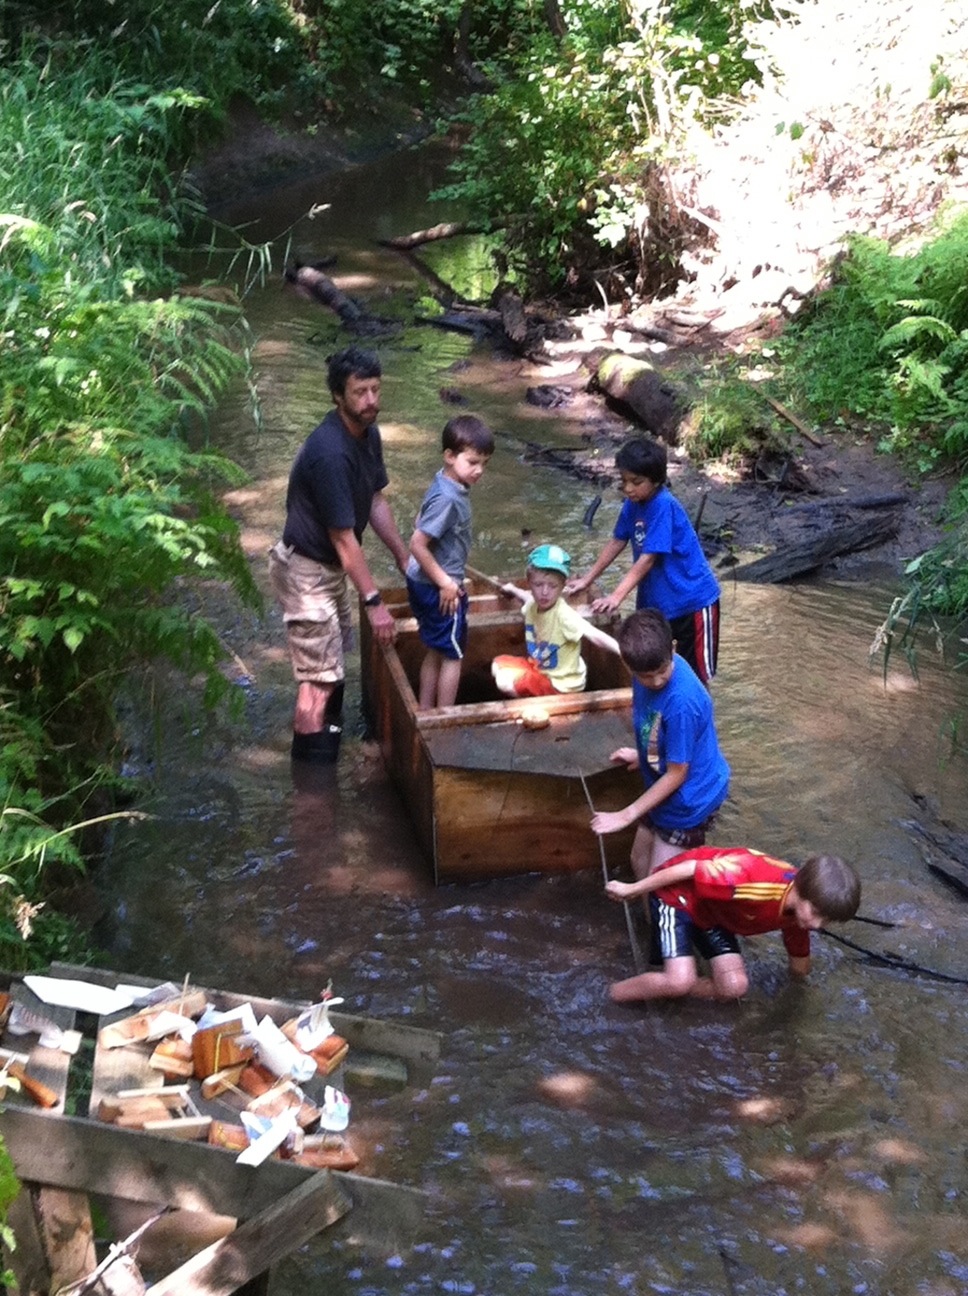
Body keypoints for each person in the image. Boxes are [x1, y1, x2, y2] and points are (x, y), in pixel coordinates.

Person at [269, 346, 410, 763]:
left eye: (375, 390)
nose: (370, 401)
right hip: (307, 570)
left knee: (330, 666)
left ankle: (331, 744)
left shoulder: (368, 433)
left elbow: (376, 501)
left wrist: (405, 558)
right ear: (337, 396)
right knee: (317, 681)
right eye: (359, 392)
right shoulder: (330, 453)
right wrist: (374, 601)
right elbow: (344, 539)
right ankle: (313, 791)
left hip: (328, 568)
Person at [603, 846, 861, 1003]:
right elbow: (691, 869)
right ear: (801, 888)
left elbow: (799, 960)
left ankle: (666, 986)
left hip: (715, 912)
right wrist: (633, 889)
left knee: (734, 987)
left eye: (826, 920)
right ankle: (611, 995)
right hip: (678, 896)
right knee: (679, 981)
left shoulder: (799, 912)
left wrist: (800, 992)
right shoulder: (749, 881)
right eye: (816, 913)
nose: (816, 924)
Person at [565, 437, 721, 684]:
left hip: (692, 603)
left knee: (695, 677)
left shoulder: (663, 505)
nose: (628, 488)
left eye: (636, 482)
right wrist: (587, 579)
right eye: (624, 481)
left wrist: (616, 596)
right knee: (658, 667)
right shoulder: (633, 503)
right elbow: (618, 541)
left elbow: (648, 559)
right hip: (659, 604)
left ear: (656, 480)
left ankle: (700, 721)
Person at [589, 608, 729, 879]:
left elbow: (678, 773)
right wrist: (643, 756)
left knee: (662, 880)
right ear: (629, 666)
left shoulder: (681, 703)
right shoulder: (645, 661)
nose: (656, 681)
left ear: (673, 649)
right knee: (639, 860)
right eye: (645, 676)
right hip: (666, 784)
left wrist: (626, 815)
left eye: (662, 671)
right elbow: (655, 727)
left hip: (690, 798)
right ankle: (651, 920)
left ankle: (679, 919)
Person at [406, 415, 495, 709]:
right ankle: (445, 716)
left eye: (484, 463)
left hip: (421, 581)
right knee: (453, 655)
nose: (479, 470)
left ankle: (426, 710)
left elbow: (420, 520)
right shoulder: (449, 498)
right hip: (439, 588)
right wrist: (446, 583)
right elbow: (417, 544)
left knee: (435, 648)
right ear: (449, 456)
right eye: (472, 462)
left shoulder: (443, 482)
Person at [491, 543, 620, 698]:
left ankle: (536, 704)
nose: (544, 592)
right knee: (497, 664)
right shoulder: (533, 603)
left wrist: (622, 651)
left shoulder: (564, 614)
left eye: (552, 586)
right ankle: (533, 691)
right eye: (538, 585)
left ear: (562, 587)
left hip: (560, 684)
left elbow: (594, 635)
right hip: (541, 669)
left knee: (504, 681)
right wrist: (513, 589)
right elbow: (527, 598)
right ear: (529, 583)